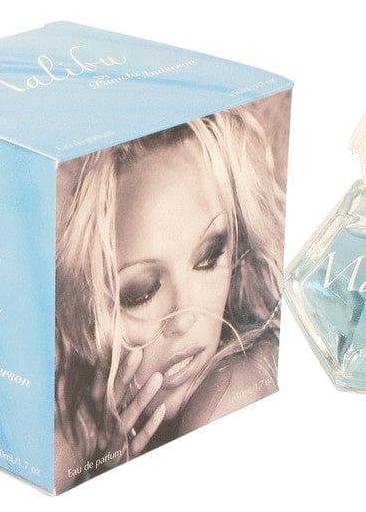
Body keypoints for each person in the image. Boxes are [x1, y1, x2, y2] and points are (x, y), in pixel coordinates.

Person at [55, 97, 288, 490]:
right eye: (141, 291)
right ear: (86, 306)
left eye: (210, 257)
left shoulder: (228, 394)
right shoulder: (74, 428)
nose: (185, 317)